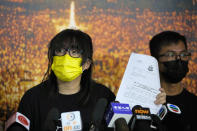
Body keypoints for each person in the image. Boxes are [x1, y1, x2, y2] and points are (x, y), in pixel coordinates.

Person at [14, 29, 166, 131]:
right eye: (60, 50)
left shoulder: (104, 96)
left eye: (74, 52)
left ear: (86, 63)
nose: (65, 57)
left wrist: (153, 106)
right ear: (52, 59)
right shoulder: (32, 98)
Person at [149, 31, 197, 131]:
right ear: (154, 60)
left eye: (183, 54)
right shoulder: (143, 103)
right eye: (171, 55)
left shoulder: (194, 104)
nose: (179, 59)